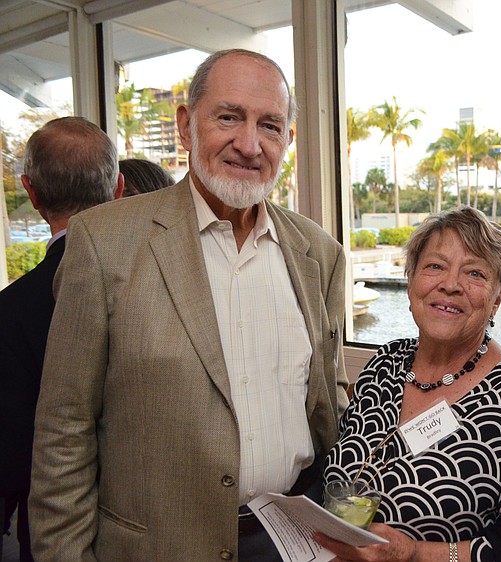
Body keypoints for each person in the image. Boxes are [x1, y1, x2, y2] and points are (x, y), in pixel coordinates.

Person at [28, 49, 349, 561]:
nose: (249, 145)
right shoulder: (104, 242)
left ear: (288, 139)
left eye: (269, 125)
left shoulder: (319, 253)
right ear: (185, 125)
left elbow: (329, 404)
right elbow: (64, 431)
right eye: (229, 117)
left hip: (292, 541)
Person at [318, 206, 501, 562]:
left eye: (475, 273)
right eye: (435, 266)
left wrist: (415, 553)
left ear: (497, 300)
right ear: (411, 281)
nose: (450, 285)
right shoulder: (384, 365)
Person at [0, 116, 123, 562]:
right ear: (119, 189)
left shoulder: (10, 310)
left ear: (30, 192)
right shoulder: (154, 285)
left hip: (49, 532)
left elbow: (12, 453)